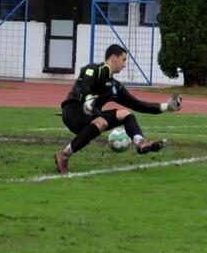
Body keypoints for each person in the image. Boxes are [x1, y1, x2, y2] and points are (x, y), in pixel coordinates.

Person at [54, 44, 182, 174]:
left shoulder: (115, 86)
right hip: (72, 111)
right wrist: (88, 98)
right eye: (124, 60)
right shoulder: (94, 69)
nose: (125, 65)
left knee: (125, 114)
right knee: (101, 122)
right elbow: (86, 84)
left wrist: (167, 107)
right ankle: (64, 155)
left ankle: (140, 143)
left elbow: (138, 105)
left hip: (91, 116)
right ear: (114, 57)